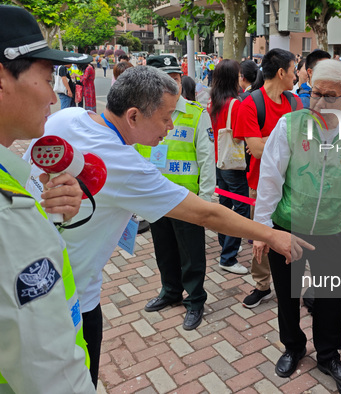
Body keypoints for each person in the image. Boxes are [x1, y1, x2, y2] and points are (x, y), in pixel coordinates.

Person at [25, 66, 312, 384]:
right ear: (133, 116)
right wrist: (271, 234)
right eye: (165, 118)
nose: (171, 126)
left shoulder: (67, 119)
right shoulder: (126, 164)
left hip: (34, 278)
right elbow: (207, 215)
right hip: (68, 302)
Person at [253, 59, 341, 387]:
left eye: (329, 97)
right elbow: (270, 178)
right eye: (314, 93)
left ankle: (328, 354)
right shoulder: (290, 125)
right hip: (286, 227)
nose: (318, 103)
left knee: (330, 298)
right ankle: (292, 347)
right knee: (287, 296)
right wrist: (263, 229)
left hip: (330, 231)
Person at [0, 5, 95, 392]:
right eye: (46, 78)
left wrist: (47, 215)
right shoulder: (10, 216)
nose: (54, 99)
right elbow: (51, 376)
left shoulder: (15, 189)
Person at [135, 56, 216, 332]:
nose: (173, 83)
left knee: (192, 255)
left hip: (187, 201)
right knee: (164, 250)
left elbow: (207, 160)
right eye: (165, 78)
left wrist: (205, 203)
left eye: (176, 77)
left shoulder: (195, 113)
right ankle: (170, 291)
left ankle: (195, 300)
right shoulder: (142, 115)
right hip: (155, 199)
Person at [234, 49, 303, 308]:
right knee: (261, 233)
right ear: (282, 72)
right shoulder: (251, 103)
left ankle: (288, 279)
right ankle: (262, 285)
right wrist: (281, 141)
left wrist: (266, 140)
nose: (296, 75)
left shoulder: (296, 104)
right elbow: (257, 150)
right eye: (294, 69)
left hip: (294, 184)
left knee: (288, 233)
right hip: (259, 184)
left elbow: (303, 143)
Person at [208, 59, 250, 274]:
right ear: (234, 78)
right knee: (241, 208)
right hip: (233, 163)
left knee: (224, 205)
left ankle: (227, 244)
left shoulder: (212, 102)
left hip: (218, 160)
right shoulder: (236, 103)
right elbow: (241, 134)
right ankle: (228, 257)